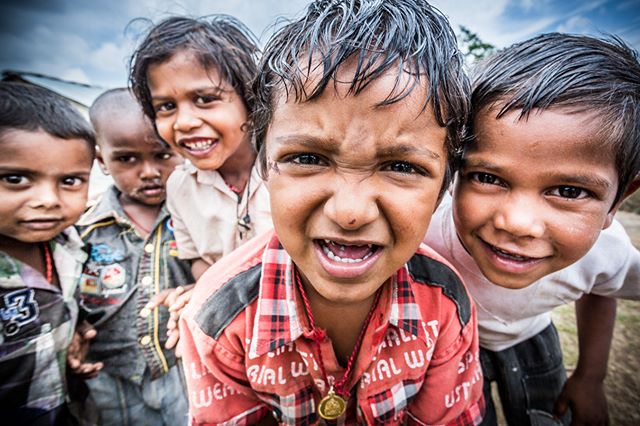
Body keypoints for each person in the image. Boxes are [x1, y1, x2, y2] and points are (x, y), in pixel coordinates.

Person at [180, 1, 485, 424]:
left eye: (401, 167)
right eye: (307, 158)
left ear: (442, 190)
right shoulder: (219, 317)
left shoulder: (446, 306)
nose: (350, 212)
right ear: (264, 167)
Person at [424, 33, 640, 426]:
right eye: (488, 177)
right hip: (450, 346)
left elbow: (602, 286)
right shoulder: (425, 237)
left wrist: (591, 377)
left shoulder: (608, 251)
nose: (517, 223)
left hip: (533, 340)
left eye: (569, 191)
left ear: (618, 201)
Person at [75, 88, 193, 425]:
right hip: (107, 374)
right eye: (127, 158)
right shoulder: (83, 228)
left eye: (162, 155)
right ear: (102, 162)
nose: (149, 171)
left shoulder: (194, 217)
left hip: (180, 367)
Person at [129, 15, 273, 283]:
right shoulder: (179, 187)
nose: (184, 122)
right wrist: (199, 295)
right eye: (166, 107)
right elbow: (198, 259)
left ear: (250, 101)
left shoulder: (287, 171)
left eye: (205, 99)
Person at [0, 82, 102, 425]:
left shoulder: (70, 246)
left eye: (70, 181)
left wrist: (73, 333)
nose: (49, 199)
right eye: (15, 178)